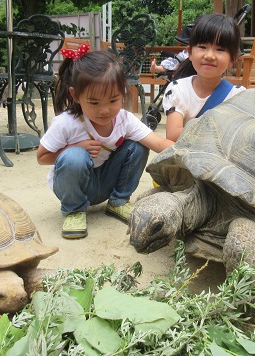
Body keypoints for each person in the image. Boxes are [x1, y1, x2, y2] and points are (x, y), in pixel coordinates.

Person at [37, 50, 175, 239]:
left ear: (123, 93)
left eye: (113, 100)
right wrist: (74, 148)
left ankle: (118, 201)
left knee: (138, 145)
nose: (104, 110)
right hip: (73, 186)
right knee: (74, 157)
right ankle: (74, 210)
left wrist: (190, 151)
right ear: (75, 95)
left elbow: (158, 143)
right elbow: (42, 157)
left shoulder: (124, 119)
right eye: (94, 102)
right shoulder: (66, 123)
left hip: (104, 183)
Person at [163, 13, 246, 142]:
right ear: (189, 53)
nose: (210, 56)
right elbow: (173, 135)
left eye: (220, 49)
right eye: (202, 47)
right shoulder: (178, 90)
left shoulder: (238, 96)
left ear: (233, 59)